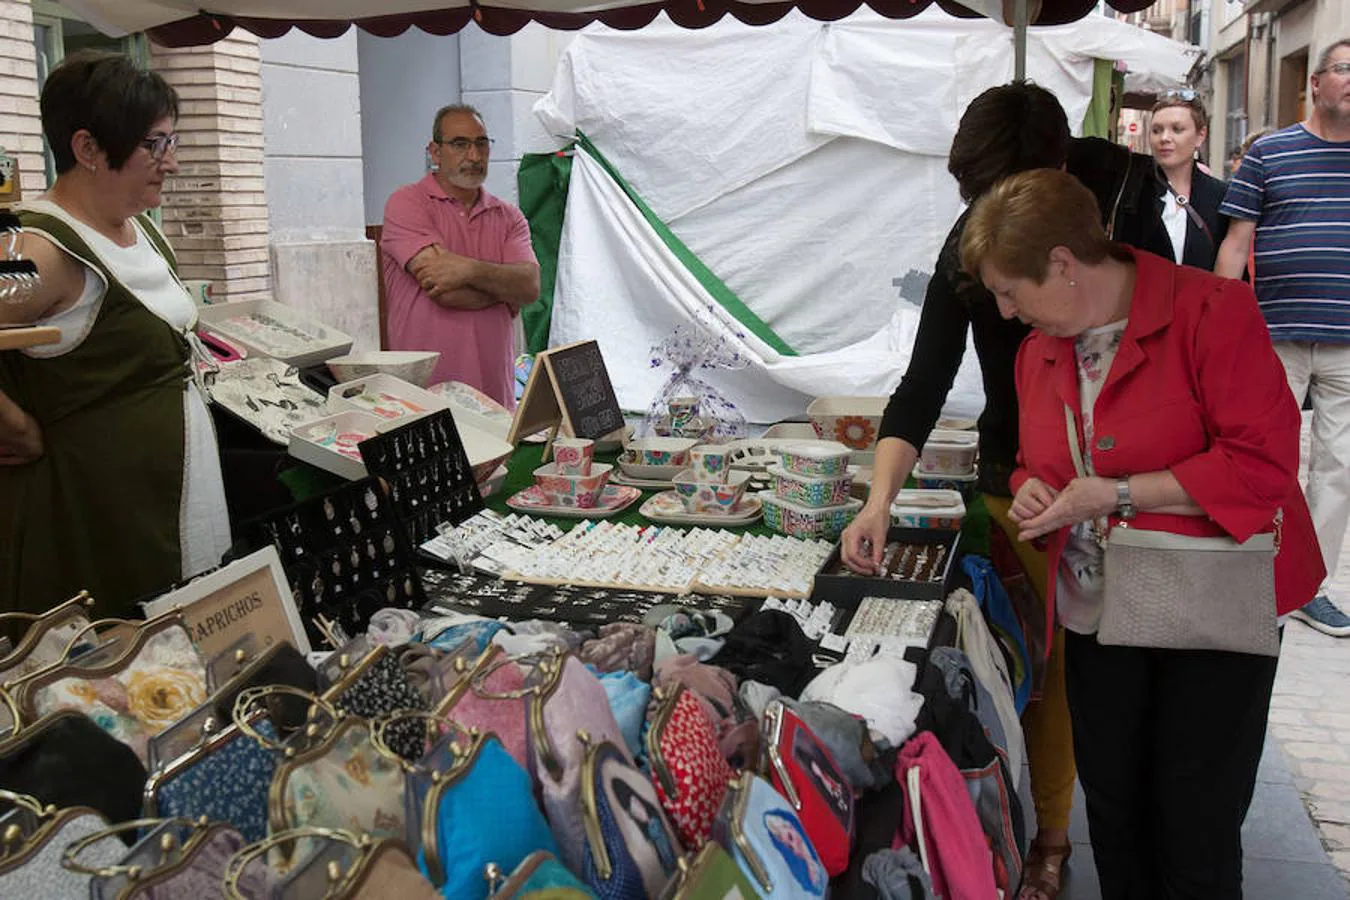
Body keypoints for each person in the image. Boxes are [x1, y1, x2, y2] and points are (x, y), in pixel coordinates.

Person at [840, 81, 1166, 900]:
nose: (992, 220)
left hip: (1129, 489)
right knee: (1028, 672)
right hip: (1014, 480)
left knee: (1098, 684)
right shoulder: (972, 237)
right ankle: (1026, 831)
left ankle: (1062, 835)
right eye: (977, 199)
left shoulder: (1122, 214)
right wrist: (879, 498)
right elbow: (922, 384)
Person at [963, 167, 1322, 899]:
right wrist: (1035, 485)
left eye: (1010, 290)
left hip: (1211, 611)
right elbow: (1043, 458)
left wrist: (1119, 492)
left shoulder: (1212, 310)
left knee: (1196, 822)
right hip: (1101, 614)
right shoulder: (1043, 348)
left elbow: (1261, 465)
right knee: (1117, 814)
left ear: (1063, 264)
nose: (1004, 312)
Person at [0, 50, 231, 620]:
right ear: (87, 148)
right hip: (95, 517)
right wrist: (13, 425)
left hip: (173, 502)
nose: (169, 163)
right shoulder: (40, 251)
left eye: (170, 143)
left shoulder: (142, 232)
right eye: (154, 145)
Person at [1215, 38, 1350, 637]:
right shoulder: (1270, 152)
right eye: (1345, 69)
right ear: (1315, 83)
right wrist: (1218, 323)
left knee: (1339, 467)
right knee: (1264, 457)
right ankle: (1250, 571)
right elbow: (1237, 242)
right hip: (1277, 332)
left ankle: (1307, 585)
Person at [380, 104, 541, 408]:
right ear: (435, 152)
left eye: (481, 144)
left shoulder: (509, 217)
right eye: (460, 144)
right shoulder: (406, 204)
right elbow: (444, 290)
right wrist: (502, 292)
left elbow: (530, 287)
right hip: (425, 402)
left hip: (495, 401)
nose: (474, 156)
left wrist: (466, 269)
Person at [1147, 90, 1230, 270]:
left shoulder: (1220, 196)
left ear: (1200, 135)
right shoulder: (1133, 192)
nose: (1164, 138)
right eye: (1156, 130)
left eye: (1177, 129)